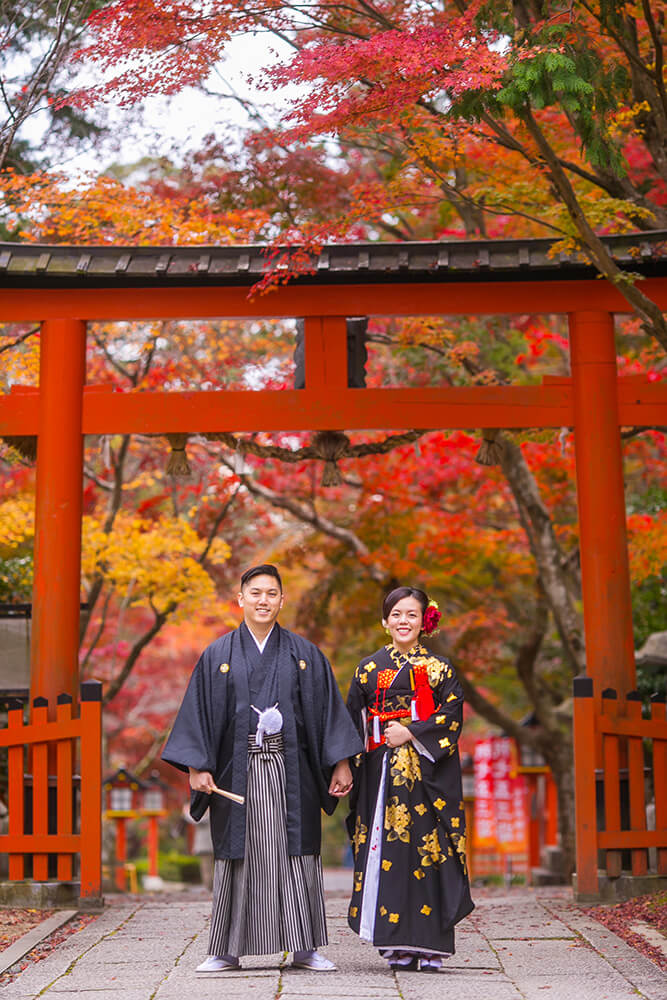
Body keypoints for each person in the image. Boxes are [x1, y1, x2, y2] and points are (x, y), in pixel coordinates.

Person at [162, 564, 362, 973]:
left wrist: (341, 762)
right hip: (236, 772)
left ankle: (304, 947)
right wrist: (197, 768)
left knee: (295, 853)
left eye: (272, 593)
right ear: (241, 599)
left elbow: (328, 714)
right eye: (256, 593)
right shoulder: (217, 655)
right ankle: (225, 949)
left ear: (282, 600)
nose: (263, 600)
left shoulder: (305, 655)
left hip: (293, 774)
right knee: (237, 855)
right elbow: (198, 716)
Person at [345, 586, 474, 972]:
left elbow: (451, 717)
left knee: (430, 850)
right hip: (380, 775)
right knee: (387, 851)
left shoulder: (440, 669)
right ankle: (393, 943)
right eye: (396, 614)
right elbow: (351, 721)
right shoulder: (368, 669)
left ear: (424, 621)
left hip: (428, 778)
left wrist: (412, 731)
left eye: (412, 615)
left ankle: (431, 945)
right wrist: (344, 765)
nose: (404, 621)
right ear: (385, 621)